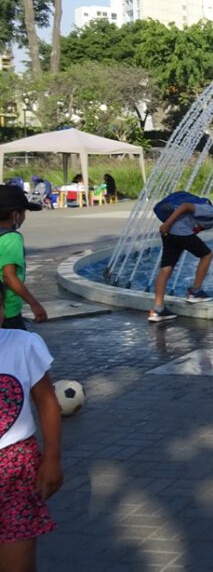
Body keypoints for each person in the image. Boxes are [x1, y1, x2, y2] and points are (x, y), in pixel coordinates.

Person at [0, 327, 62, 570]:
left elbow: (47, 401)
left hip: (16, 471)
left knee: (19, 563)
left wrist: (52, 459)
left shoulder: (22, 345)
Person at [0, 185, 48, 329]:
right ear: (15, 215)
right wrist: (34, 303)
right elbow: (9, 276)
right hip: (8, 312)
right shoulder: (11, 238)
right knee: (19, 346)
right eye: (24, 212)